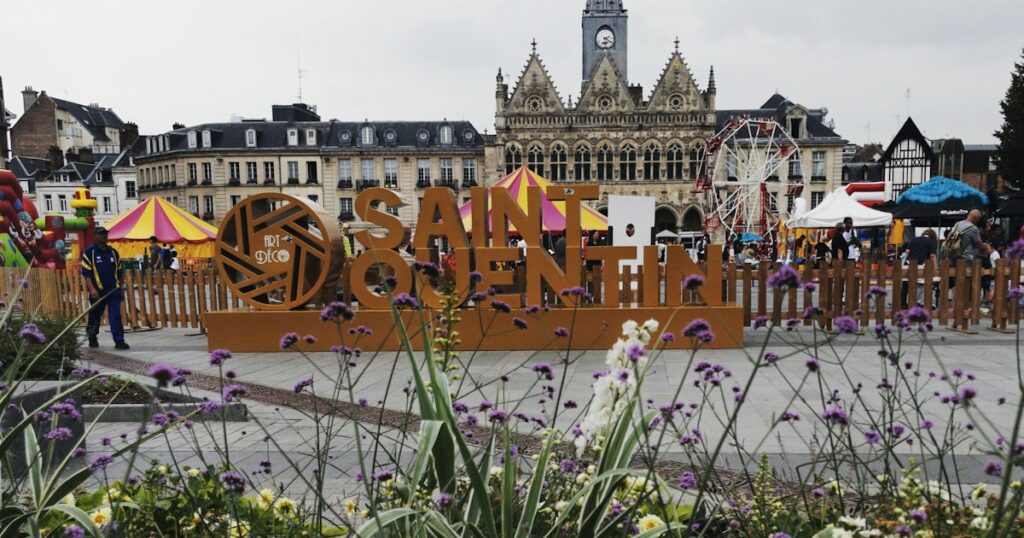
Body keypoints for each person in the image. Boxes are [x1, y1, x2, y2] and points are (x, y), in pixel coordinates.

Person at [82, 227, 129, 350]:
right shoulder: (90, 252)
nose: (104, 236)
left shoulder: (113, 252)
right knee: (95, 315)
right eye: (101, 234)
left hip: (113, 290)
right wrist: (92, 289)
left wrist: (121, 288)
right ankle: (92, 336)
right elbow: (86, 273)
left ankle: (119, 340)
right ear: (95, 236)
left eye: (105, 234)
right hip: (97, 291)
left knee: (115, 315)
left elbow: (120, 272)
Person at [902, 229, 937, 307]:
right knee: (921, 285)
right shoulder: (931, 242)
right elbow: (932, 256)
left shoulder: (914, 239)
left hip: (909, 264)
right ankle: (919, 302)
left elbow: (907, 252)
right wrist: (933, 266)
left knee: (906, 284)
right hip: (921, 266)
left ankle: (903, 303)